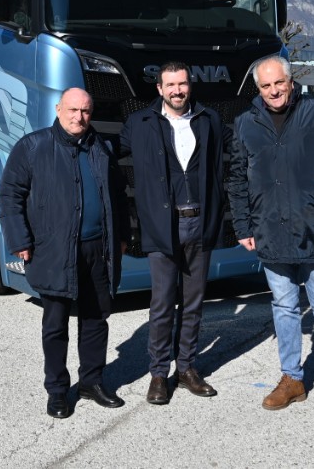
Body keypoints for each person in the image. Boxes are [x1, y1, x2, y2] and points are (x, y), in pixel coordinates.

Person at [226, 55, 314, 418]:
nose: (274, 91)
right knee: (284, 307)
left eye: (279, 83)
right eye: (266, 86)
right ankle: (292, 379)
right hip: (270, 231)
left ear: (291, 82)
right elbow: (237, 179)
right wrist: (243, 227)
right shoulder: (246, 123)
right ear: (258, 89)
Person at [0, 87, 131, 419]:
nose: (79, 117)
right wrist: (20, 240)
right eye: (73, 110)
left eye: (85, 111)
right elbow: (10, 194)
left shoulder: (100, 147)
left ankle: (92, 381)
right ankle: (57, 390)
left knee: (96, 318)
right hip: (53, 249)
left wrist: (123, 236)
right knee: (55, 324)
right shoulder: (33, 146)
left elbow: (118, 194)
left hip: (97, 248)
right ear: (58, 109)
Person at [119, 62, 224, 405]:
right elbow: (112, 162)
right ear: (159, 89)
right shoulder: (139, 123)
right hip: (162, 226)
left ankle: (188, 367)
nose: (177, 90)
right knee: (162, 303)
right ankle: (159, 374)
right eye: (170, 85)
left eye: (182, 84)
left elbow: (224, 167)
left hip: (200, 223)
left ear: (189, 86)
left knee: (193, 303)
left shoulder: (209, 120)